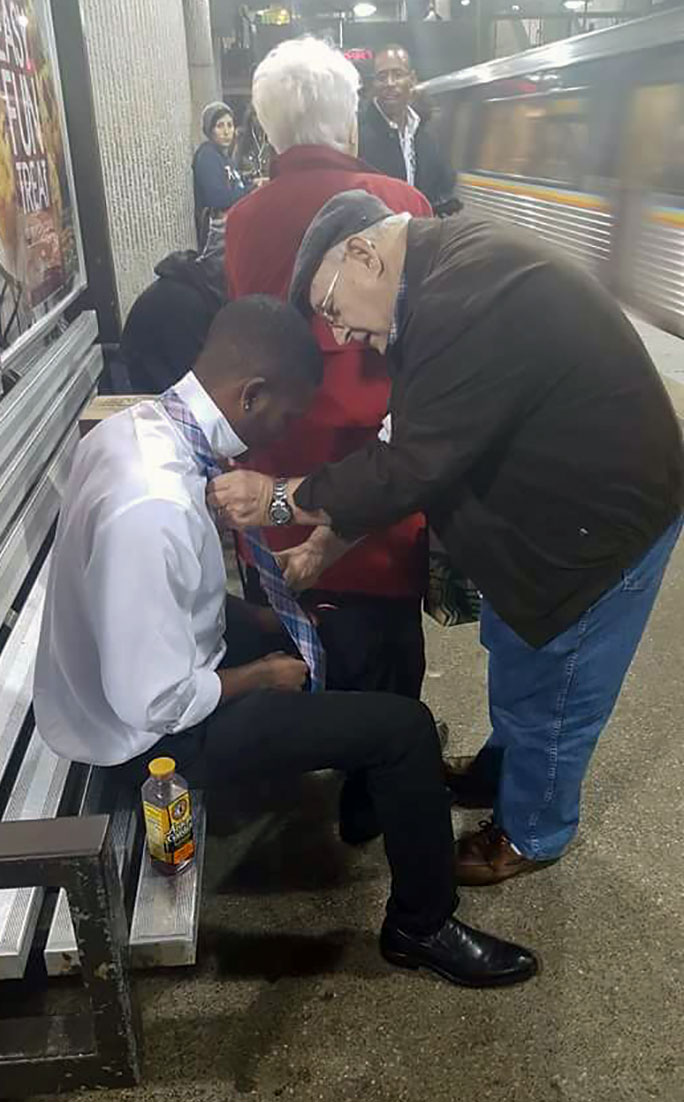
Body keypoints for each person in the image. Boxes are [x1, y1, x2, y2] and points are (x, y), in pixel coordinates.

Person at [32, 295, 537, 990]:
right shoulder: (153, 507)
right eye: (286, 415)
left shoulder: (136, 430)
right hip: (149, 741)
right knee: (407, 730)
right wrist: (261, 676)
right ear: (252, 394)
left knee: (330, 627)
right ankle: (421, 926)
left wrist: (264, 623)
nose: (283, 434)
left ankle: (372, 796)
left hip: (139, 670)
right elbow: (155, 702)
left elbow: (163, 604)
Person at [211, 191, 684, 887]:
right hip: (543, 512)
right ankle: (504, 766)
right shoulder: (435, 281)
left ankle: (533, 831)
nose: (340, 337)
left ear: (365, 255)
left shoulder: (466, 298)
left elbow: (409, 466)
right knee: (516, 649)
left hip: (598, 527)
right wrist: (324, 545)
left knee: (558, 684)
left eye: (334, 311)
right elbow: (409, 438)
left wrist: (282, 498)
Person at [225, 36, 431, 717]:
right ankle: (374, 782)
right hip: (380, 468)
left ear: (266, 125)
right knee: (386, 647)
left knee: (297, 633)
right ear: (348, 117)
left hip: (277, 475)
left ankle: (314, 747)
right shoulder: (400, 199)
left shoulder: (243, 219)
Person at [115, 226, 227, 395]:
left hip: (156, 383)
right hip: (139, 394)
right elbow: (201, 389)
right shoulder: (185, 303)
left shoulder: (198, 285)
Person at [358, 45, 454, 211]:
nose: (389, 83)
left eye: (397, 74)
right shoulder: (359, 133)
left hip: (420, 232)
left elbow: (442, 189)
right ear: (374, 83)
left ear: (412, 79)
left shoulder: (427, 135)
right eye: (382, 76)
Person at [193, 102, 248, 245]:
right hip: (215, 239)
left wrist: (255, 183)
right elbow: (218, 198)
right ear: (210, 130)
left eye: (230, 125)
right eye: (220, 126)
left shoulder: (226, 158)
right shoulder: (206, 156)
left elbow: (238, 183)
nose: (226, 132)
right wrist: (248, 191)